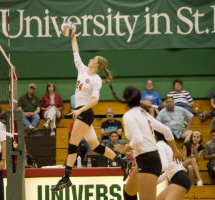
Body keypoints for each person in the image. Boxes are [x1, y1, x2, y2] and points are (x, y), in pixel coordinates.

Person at [51, 32, 121, 192]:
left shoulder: (96, 79)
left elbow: (95, 100)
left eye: (93, 59)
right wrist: (72, 35)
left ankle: (66, 178)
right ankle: (122, 162)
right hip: (82, 113)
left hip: (85, 113)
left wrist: (78, 110)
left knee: (72, 144)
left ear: (97, 65)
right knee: (95, 146)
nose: (90, 59)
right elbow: (75, 52)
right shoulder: (82, 69)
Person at [113, 86, 182, 200]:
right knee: (129, 193)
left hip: (148, 159)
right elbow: (167, 130)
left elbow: (138, 140)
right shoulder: (142, 112)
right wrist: (175, 150)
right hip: (145, 159)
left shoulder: (129, 115)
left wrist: (125, 149)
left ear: (125, 100)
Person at [155, 131, 191, 200]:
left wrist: (152, 176)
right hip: (179, 179)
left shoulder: (160, 144)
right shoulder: (166, 146)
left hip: (180, 179)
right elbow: (167, 172)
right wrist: (154, 183)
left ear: (155, 136)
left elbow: (164, 166)